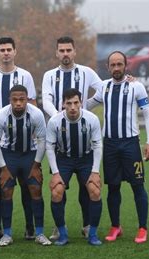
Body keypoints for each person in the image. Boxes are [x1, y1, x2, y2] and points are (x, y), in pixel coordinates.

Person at [85, 50, 149, 244]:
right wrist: (66, 107)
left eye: (119, 64)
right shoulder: (104, 87)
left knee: (137, 186)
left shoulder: (136, 86)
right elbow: (87, 105)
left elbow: (148, 115)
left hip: (130, 144)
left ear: (126, 66)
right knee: (113, 187)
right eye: (113, 65)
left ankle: (142, 228)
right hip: (110, 144)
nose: (116, 68)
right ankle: (116, 226)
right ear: (108, 67)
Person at [42, 36, 104, 240]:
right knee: (59, 188)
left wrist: (87, 106)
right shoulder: (50, 75)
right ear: (56, 53)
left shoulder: (86, 72)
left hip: (84, 144)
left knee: (89, 189)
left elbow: (104, 90)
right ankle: (59, 228)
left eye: (69, 50)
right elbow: (46, 100)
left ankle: (88, 225)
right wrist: (59, 117)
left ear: (74, 51)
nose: (65, 54)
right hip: (62, 142)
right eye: (62, 50)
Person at [0, 37, 37, 240]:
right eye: (2, 49)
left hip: (24, 142)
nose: (5, 53)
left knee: (27, 186)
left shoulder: (25, 75)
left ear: (15, 51)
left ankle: (30, 227)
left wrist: (32, 133)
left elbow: (32, 104)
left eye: (9, 49)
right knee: (0, 185)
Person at [0, 85, 51, 247]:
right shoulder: (1, 115)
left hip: (29, 155)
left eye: (22, 99)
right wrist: (3, 168)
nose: (18, 103)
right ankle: (7, 234)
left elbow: (42, 140)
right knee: (6, 191)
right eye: (15, 100)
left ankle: (39, 232)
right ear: (9, 100)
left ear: (27, 99)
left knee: (35, 189)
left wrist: (36, 165)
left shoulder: (36, 114)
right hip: (8, 154)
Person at [46, 88, 103, 246]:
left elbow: (98, 145)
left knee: (95, 190)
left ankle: (92, 233)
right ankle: (62, 233)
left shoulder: (91, 119)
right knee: (56, 192)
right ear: (63, 104)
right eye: (69, 103)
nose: (72, 107)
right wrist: (56, 173)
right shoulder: (55, 121)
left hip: (86, 158)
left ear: (81, 103)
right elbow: (49, 147)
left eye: (76, 103)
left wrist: (95, 171)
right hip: (64, 159)